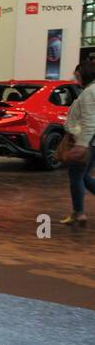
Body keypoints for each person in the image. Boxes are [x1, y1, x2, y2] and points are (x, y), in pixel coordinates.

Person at [60, 59, 95, 226]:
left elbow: (89, 121)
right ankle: (77, 212)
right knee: (83, 176)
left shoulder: (89, 93)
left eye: (76, 75)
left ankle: (78, 213)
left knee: (76, 176)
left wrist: (82, 144)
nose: (75, 78)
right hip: (91, 142)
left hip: (87, 142)